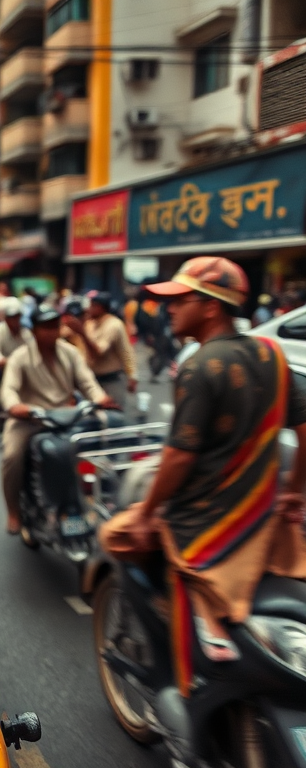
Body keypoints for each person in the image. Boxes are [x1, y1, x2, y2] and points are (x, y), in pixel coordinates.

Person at [98, 257, 306, 699]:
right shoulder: (273, 355)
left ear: (211, 306)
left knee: (116, 535)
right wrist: (293, 492)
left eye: (180, 300)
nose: (168, 309)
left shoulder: (200, 365)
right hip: (264, 521)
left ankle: (178, 656)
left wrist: (147, 513)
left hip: (201, 526)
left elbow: (178, 457)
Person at [0, 305, 115, 534]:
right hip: (31, 419)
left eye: (55, 326)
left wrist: (100, 398)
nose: (52, 332)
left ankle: (102, 497)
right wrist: (15, 406)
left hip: (67, 417)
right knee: (11, 456)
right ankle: (13, 510)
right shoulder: (20, 358)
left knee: (106, 431)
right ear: (34, 330)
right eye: (46, 327)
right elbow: (8, 389)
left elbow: (88, 382)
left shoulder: (70, 352)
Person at [61, 291, 138, 411]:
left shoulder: (113, 325)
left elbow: (101, 353)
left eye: (92, 306)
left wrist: (132, 375)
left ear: (101, 308)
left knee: (113, 414)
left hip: (111, 380)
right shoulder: (90, 323)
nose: (88, 309)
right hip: (92, 380)